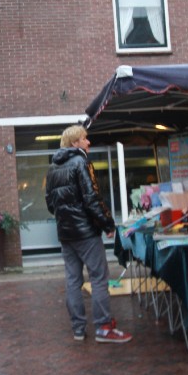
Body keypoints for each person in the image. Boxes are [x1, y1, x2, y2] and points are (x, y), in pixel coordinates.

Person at [44, 125, 132, 344]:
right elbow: (92, 198)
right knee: (99, 278)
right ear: (75, 143)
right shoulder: (81, 162)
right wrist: (108, 224)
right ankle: (103, 327)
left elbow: (50, 204)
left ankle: (78, 328)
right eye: (85, 138)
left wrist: (66, 218)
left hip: (66, 235)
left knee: (73, 280)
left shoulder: (52, 168)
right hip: (86, 234)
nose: (88, 142)